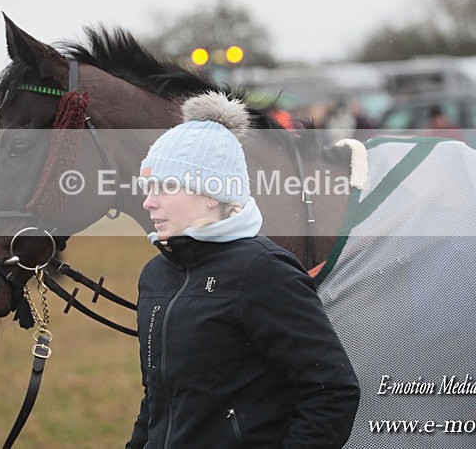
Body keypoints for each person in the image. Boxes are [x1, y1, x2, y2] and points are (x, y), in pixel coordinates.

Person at [126, 93, 360, 448]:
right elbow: (156, 400)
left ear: (212, 194)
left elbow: (332, 391)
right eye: (148, 187)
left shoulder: (263, 272)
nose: (148, 201)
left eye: (166, 187)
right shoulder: (156, 274)